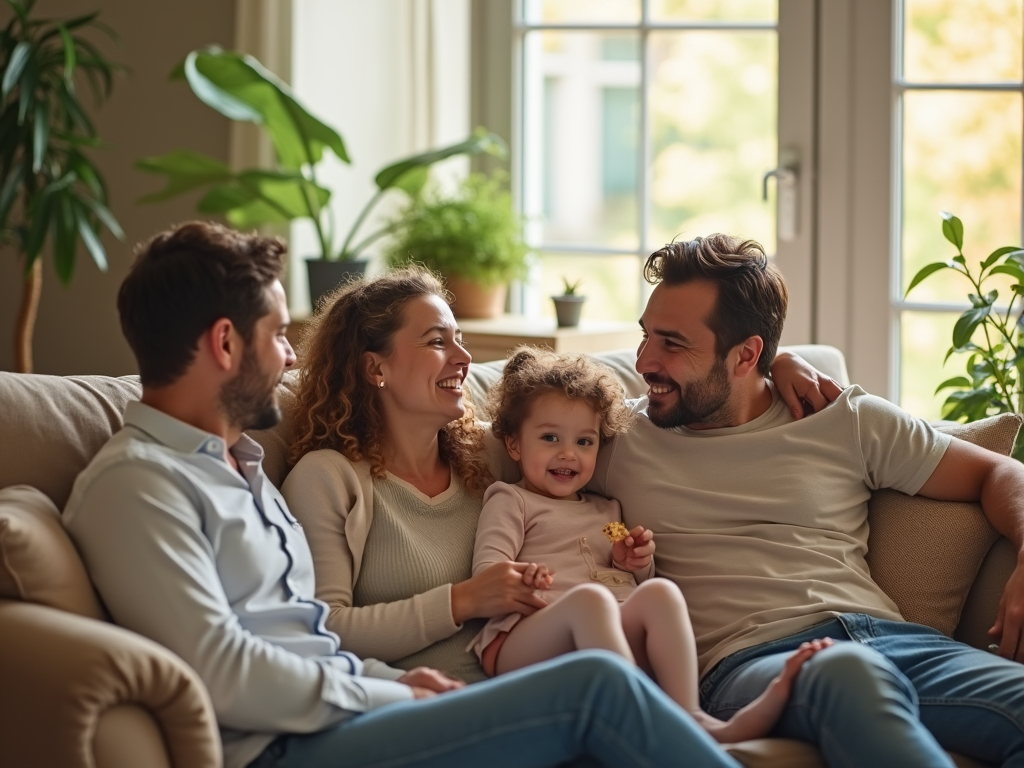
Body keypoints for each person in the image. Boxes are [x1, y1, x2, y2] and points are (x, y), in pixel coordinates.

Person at [61, 221, 754, 768]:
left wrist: (763, 373)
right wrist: (382, 687)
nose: (292, 359)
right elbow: (222, 670)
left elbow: (308, 638)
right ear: (222, 343)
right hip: (288, 744)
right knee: (597, 689)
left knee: (600, 688)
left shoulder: (238, 468)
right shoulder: (139, 485)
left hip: (354, 709)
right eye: (276, 335)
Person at [282, 266, 839, 685]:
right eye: (436, 342)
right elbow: (320, 630)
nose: (463, 357)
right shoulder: (330, 480)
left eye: (458, 338)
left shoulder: (486, 458)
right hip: (439, 698)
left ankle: (683, 725)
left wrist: (773, 365)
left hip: (551, 680)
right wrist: (462, 600)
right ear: (374, 366)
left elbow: (582, 412)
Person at [588, 233, 1024, 767]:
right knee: (847, 673)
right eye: (646, 335)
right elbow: (501, 436)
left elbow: (999, 473)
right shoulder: (615, 435)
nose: (644, 361)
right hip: (751, 663)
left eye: (672, 344)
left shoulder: (839, 417)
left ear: (747, 354)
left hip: (894, 640)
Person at [471, 345, 833, 743]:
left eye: (585, 442)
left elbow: (631, 578)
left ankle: (692, 716)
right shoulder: (512, 499)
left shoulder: (605, 508)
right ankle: (644, 726)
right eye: (550, 438)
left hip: (603, 636)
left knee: (661, 591)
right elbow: (488, 574)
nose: (568, 454)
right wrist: (522, 579)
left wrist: (634, 563)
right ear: (514, 445)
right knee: (592, 600)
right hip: (522, 641)